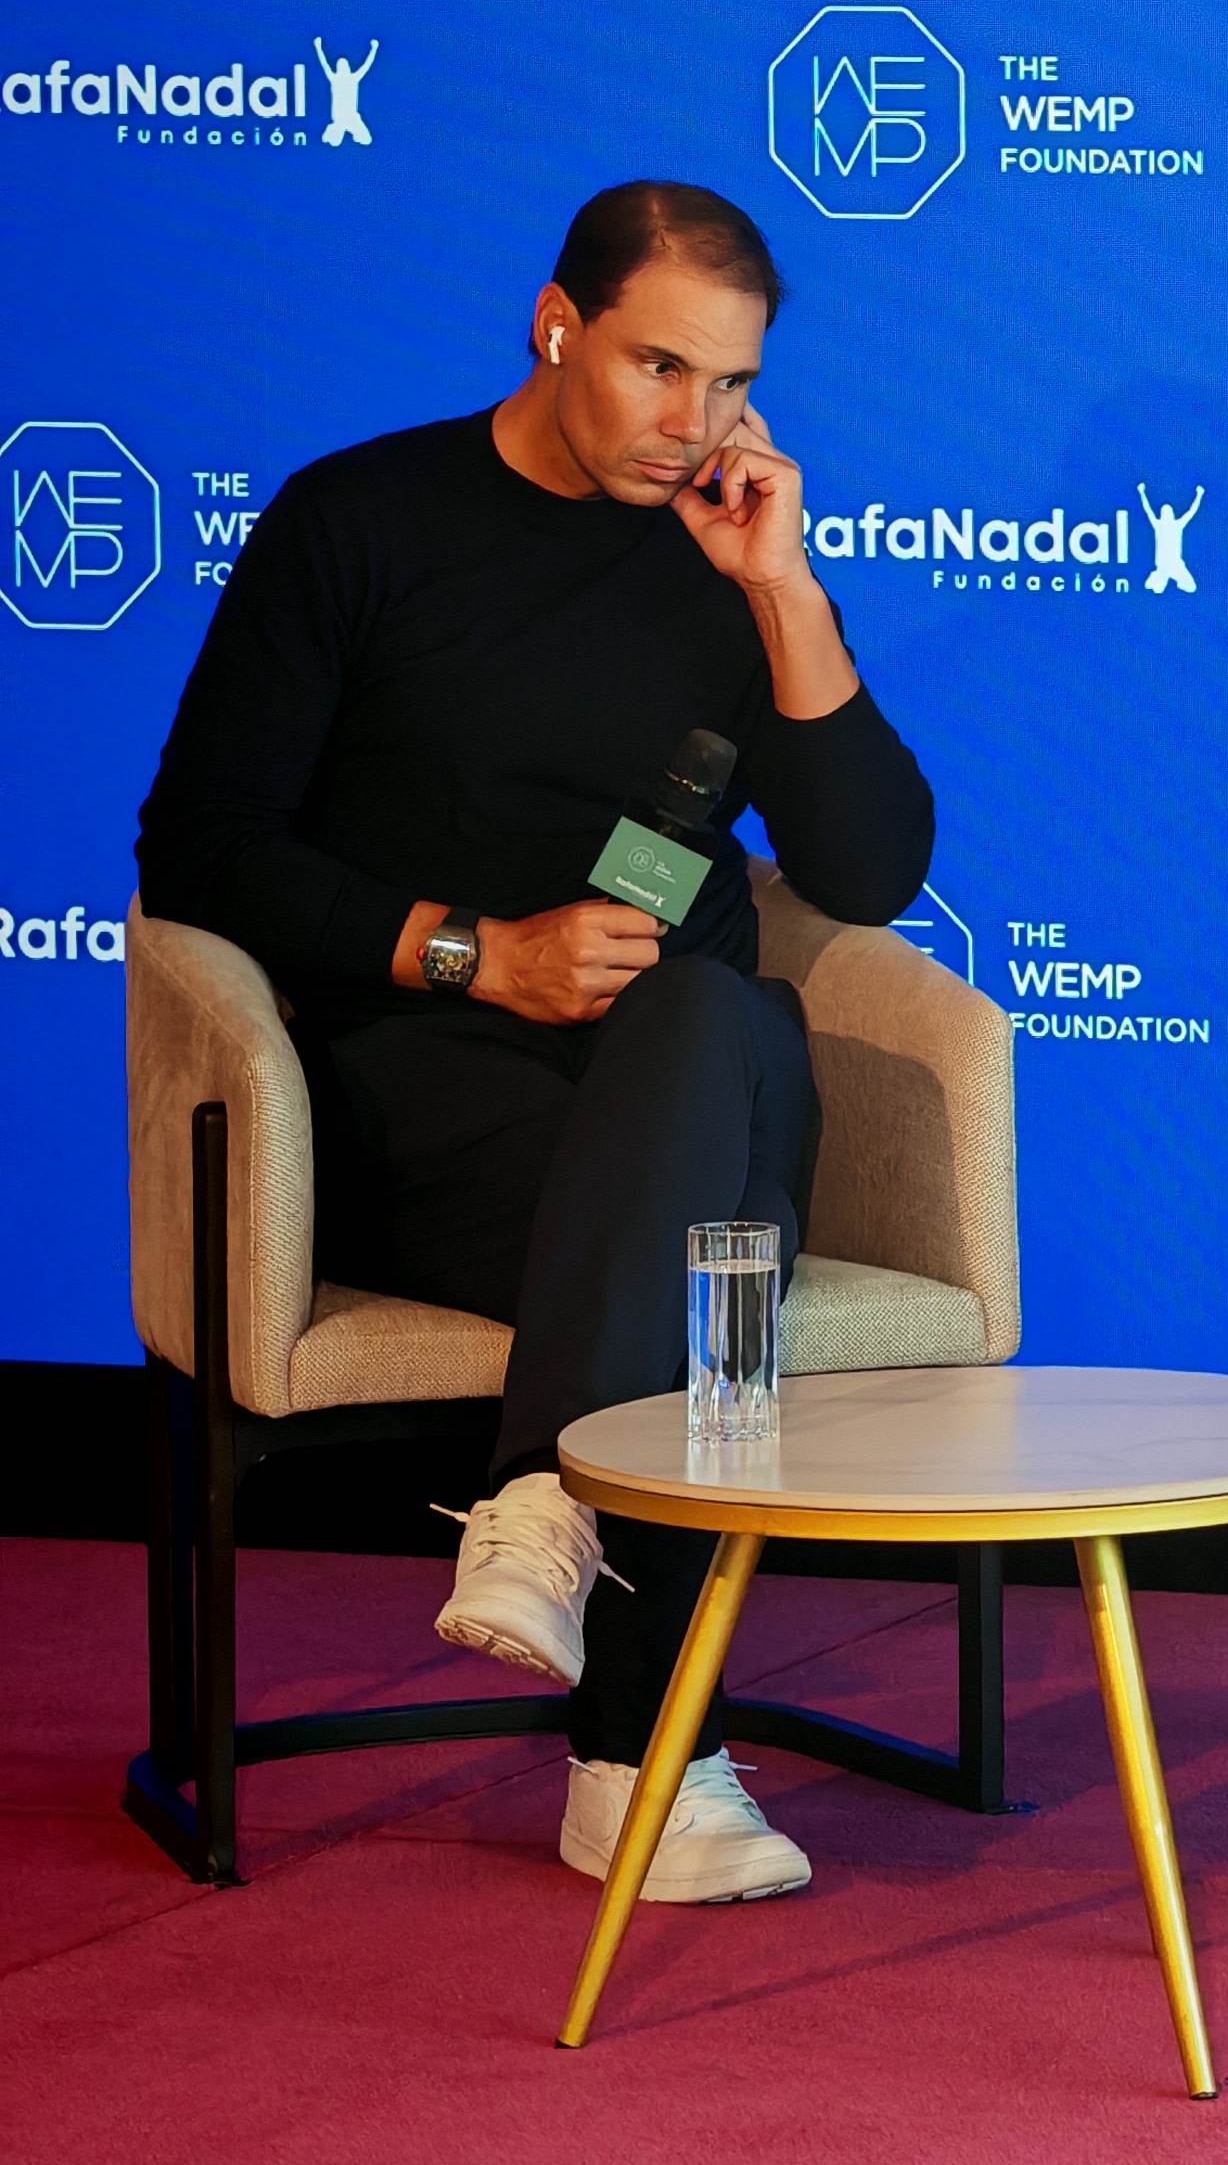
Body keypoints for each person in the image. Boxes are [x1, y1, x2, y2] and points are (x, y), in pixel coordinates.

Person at [138, 182, 934, 1906]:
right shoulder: (358, 522)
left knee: (716, 1016)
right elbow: (198, 848)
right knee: (720, 1255)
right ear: (554, 322)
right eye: (659, 366)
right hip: (430, 1099)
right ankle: (645, 1762)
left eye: (731, 383)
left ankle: (539, 1504)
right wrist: (476, 954)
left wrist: (782, 590)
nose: (692, 423)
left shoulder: (725, 561)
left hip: (691, 1077)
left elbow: (872, 871)